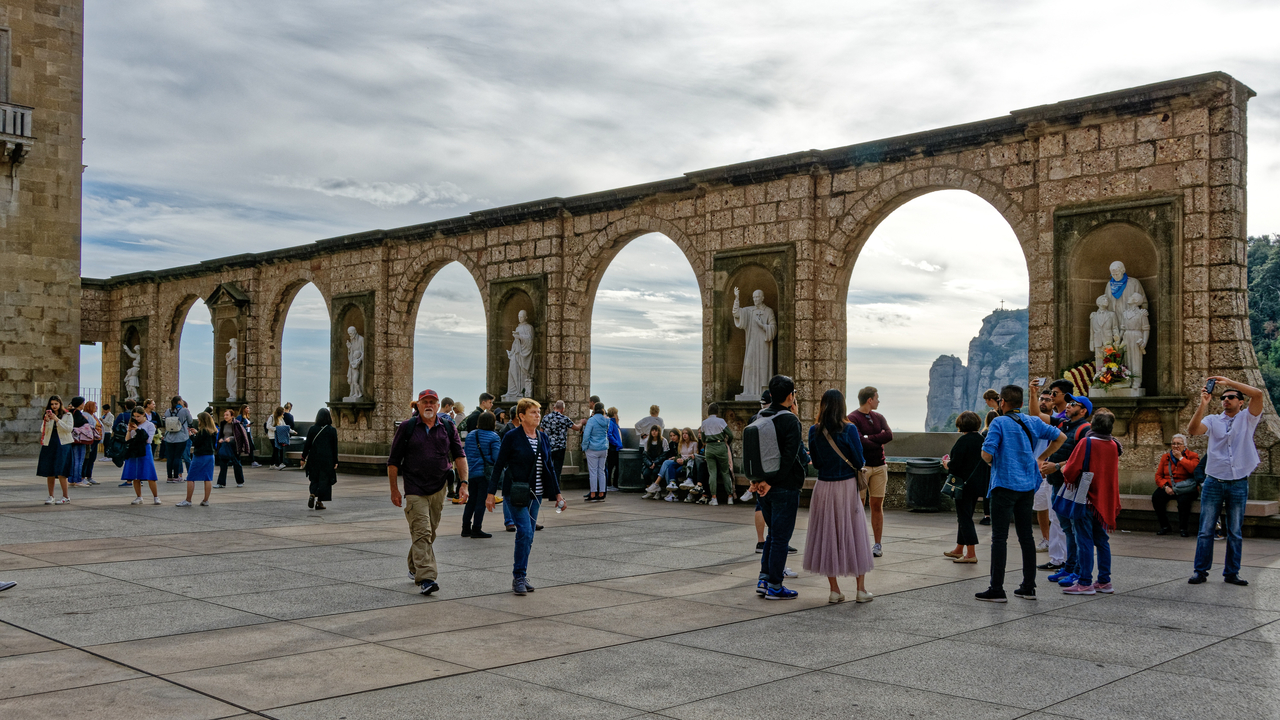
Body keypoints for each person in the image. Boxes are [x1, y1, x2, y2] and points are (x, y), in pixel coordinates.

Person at [975, 384, 1065, 603]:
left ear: (1002, 403)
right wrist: (1041, 457)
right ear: (1022, 404)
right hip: (1027, 486)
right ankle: (1028, 586)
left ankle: (997, 588)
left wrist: (993, 459)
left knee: (999, 537)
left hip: (1004, 485)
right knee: (1026, 536)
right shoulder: (1032, 421)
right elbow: (1060, 437)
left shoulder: (998, 422)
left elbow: (987, 455)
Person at [387, 389, 468, 596]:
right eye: (425, 402)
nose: (429, 405)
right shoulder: (408, 427)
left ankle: (414, 566)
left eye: (433, 402)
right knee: (422, 531)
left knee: (428, 532)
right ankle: (427, 578)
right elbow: (394, 461)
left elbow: (459, 455)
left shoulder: (448, 427)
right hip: (415, 488)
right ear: (419, 406)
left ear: (438, 406)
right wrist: (394, 489)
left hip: (439, 487)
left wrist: (464, 483)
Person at [1187, 376, 1265, 587]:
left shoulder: (1248, 418)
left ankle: (1232, 572)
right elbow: (1193, 431)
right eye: (1223, 398)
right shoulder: (1213, 420)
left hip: (1238, 482)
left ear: (1241, 402)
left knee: (1235, 531)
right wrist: (1202, 405)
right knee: (1206, 529)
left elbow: (1257, 394)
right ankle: (1200, 571)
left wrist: (1229, 382)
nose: (1226, 400)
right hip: (1214, 481)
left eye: (1231, 397)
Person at [487, 398, 564, 595]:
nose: (538, 415)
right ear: (521, 416)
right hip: (516, 493)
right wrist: (490, 493)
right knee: (525, 532)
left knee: (528, 537)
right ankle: (519, 576)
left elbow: (549, 469)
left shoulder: (543, 438)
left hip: (535, 494)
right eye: (533, 412)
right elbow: (498, 466)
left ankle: (521, 574)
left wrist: (557, 493)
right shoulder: (512, 437)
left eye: (539, 412)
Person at [805, 388, 874, 604]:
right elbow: (859, 461)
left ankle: (835, 590)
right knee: (855, 533)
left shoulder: (814, 430)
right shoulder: (850, 429)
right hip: (845, 486)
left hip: (824, 487)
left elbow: (815, 463)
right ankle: (861, 590)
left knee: (827, 535)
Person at [752, 375, 809, 600]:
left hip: (762, 487)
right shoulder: (790, 421)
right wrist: (772, 481)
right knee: (780, 538)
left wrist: (759, 481)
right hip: (783, 487)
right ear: (790, 396)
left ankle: (764, 579)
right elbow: (789, 457)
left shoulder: (760, 416)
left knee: (772, 534)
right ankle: (775, 585)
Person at [1058, 410, 1123, 595]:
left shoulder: (1087, 442)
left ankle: (1085, 582)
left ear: (1093, 425)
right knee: (1102, 540)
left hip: (1085, 498)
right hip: (1104, 500)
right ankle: (1104, 581)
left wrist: (1062, 469)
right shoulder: (1113, 445)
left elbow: (1071, 470)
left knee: (1084, 539)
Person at [1036, 393, 1093, 587]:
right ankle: (1069, 567)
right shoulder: (1064, 425)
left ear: (1083, 410)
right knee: (1066, 527)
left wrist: (1056, 466)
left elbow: (1084, 459)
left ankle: (1076, 569)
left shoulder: (1085, 429)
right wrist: (1044, 460)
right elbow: (1036, 415)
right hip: (1057, 482)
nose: (1067, 406)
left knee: (1074, 528)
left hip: (1071, 485)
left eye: (1073, 404)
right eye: (1068, 403)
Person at [848, 386, 892, 557]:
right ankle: (858, 543)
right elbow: (859, 442)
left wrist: (868, 438)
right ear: (869, 400)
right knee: (858, 506)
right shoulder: (852, 418)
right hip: (862, 468)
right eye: (877, 398)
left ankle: (877, 544)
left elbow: (889, 435)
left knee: (876, 505)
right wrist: (875, 439)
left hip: (880, 466)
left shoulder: (879, 417)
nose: (878, 401)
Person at [942, 411, 988, 564]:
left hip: (963, 486)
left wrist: (946, 464)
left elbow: (955, 465)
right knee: (965, 514)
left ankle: (971, 553)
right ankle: (959, 549)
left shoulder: (963, 441)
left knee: (964, 517)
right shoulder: (982, 440)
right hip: (977, 485)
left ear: (961, 425)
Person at [1151, 434, 1200, 536]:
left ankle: (1183, 528)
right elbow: (1158, 476)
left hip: (1187, 488)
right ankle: (1165, 526)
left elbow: (1194, 471)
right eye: (1173, 444)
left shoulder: (1193, 456)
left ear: (1184, 446)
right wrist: (1165, 487)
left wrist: (1181, 458)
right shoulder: (1166, 457)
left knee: (1183, 501)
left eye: (1179, 444)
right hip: (1170, 486)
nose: (1176, 446)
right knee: (1156, 497)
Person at [463, 411, 501, 538]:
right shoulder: (494, 437)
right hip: (484, 474)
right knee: (481, 502)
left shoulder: (470, 435)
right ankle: (476, 528)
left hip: (470, 472)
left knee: (471, 501)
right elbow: (497, 457)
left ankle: (465, 528)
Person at [539, 400, 586, 501]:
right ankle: (555, 494)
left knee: (546, 469)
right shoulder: (564, 418)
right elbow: (577, 428)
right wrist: (581, 423)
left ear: (554, 407)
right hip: (560, 448)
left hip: (547, 447)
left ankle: (546, 492)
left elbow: (541, 432)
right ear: (563, 409)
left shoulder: (546, 417)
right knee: (556, 470)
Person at [37, 395, 73, 505]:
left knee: (61, 470)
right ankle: (51, 496)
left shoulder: (67, 415)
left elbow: (69, 429)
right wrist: (47, 420)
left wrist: (57, 420)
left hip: (62, 444)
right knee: (50, 470)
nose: (54, 406)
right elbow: (42, 430)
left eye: (56, 404)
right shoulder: (48, 415)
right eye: (52, 404)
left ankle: (65, 496)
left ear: (60, 404)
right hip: (50, 443)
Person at [177, 411, 217, 507]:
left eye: (199, 420)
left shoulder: (203, 431)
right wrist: (197, 433)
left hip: (200, 456)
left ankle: (188, 500)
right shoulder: (213, 431)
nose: (198, 421)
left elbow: (197, 442)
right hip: (210, 456)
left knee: (191, 477)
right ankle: (205, 500)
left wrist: (192, 436)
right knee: (207, 478)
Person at [123, 407, 161, 505]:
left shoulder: (150, 425)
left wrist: (138, 430)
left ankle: (156, 496)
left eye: (138, 416)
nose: (136, 418)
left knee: (149, 474)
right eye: (135, 416)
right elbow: (127, 439)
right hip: (134, 449)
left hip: (144, 449)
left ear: (143, 414)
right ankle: (139, 496)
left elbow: (148, 440)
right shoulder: (133, 423)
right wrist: (129, 430)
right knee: (136, 475)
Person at [302, 408, 339, 510]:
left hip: (313, 458)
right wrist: (335, 461)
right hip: (327, 460)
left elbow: (307, 445)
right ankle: (319, 502)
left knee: (314, 478)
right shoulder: (332, 430)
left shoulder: (312, 429)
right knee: (325, 480)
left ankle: (313, 493)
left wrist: (303, 457)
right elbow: (334, 447)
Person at [700, 403, 735, 505]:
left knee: (712, 473)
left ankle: (714, 498)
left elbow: (703, 438)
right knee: (725, 472)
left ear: (708, 411)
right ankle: (730, 497)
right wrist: (727, 443)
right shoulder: (721, 421)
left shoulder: (704, 423)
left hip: (709, 448)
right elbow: (730, 434)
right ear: (717, 411)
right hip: (720, 446)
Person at [581, 402, 610, 502]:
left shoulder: (592, 420)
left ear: (594, 409)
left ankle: (593, 493)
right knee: (601, 471)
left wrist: (584, 447)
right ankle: (601, 493)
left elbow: (586, 435)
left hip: (592, 448)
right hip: (603, 448)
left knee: (593, 472)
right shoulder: (607, 420)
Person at [162, 396, 194, 483]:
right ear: (180, 402)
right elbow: (190, 421)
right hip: (181, 436)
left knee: (170, 458)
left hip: (169, 437)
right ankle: (176, 476)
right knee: (177, 457)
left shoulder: (168, 411)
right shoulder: (184, 410)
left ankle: (169, 476)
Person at [215, 409, 249, 488]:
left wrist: (231, 438)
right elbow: (222, 434)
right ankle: (221, 483)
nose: (225, 417)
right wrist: (221, 439)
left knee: (236, 463)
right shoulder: (223, 424)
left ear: (232, 416)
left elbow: (240, 436)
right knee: (223, 464)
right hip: (225, 445)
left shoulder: (237, 424)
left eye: (227, 415)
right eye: (224, 415)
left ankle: (240, 481)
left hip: (234, 446)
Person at [65, 396, 93, 488]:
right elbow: (80, 423)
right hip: (79, 440)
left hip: (73, 440)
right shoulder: (77, 413)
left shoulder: (70, 413)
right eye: (82, 403)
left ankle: (72, 479)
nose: (83, 405)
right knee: (79, 460)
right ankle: (77, 480)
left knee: (74, 460)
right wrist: (85, 419)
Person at [640, 425, 672, 498]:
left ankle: (658, 491)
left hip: (659, 463)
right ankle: (649, 491)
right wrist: (649, 463)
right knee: (646, 473)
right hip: (649, 463)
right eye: (652, 430)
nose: (654, 432)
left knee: (655, 472)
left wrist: (656, 462)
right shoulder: (647, 441)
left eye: (656, 431)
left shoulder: (663, 441)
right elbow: (644, 455)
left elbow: (664, 455)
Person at [114, 400, 136, 486]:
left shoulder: (122, 415)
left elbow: (114, 427)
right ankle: (138, 479)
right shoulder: (136, 416)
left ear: (126, 406)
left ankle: (129, 480)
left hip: (124, 439)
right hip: (135, 439)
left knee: (128, 459)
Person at [82, 400, 103, 485]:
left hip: (96, 440)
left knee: (92, 458)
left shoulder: (93, 416)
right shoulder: (86, 415)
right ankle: (84, 476)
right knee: (88, 458)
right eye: (95, 406)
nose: (97, 408)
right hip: (91, 439)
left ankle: (89, 476)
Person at [605, 407, 623, 491]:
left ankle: (611, 484)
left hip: (615, 448)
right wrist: (616, 443)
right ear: (615, 414)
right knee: (613, 466)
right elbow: (609, 435)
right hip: (614, 448)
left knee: (613, 466)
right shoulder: (611, 423)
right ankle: (612, 484)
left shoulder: (613, 423)